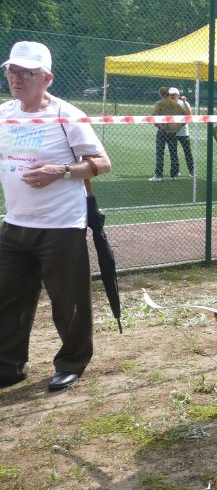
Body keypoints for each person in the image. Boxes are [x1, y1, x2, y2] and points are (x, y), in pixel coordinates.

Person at [0, 41, 112, 391]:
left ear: (47, 78)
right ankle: (7, 367)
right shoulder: (4, 113)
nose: (16, 78)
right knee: (7, 299)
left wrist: (61, 171)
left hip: (61, 226)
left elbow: (102, 163)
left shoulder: (67, 115)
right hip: (15, 223)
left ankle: (72, 363)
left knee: (69, 301)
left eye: (27, 73)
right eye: (12, 71)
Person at [149, 86, 187, 182]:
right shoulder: (175, 104)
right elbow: (186, 115)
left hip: (162, 131)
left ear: (160, 94)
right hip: (173, 131)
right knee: (173, 153)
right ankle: (174, 175)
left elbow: (153, 116)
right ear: (168, 94)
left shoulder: (159, 104)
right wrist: (179, 126)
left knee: (160, 153)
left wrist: (157, 123)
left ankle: (159, 175)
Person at [168, 87, 194, 177]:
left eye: (173, 94)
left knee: (187, 152)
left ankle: (191, 170)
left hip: (183, 132)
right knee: (173, 152)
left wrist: (185, 102)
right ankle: (176, 170)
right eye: (170, 94)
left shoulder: (183, 103)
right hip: (172, 132)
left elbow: (189, 115)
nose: (172, 96)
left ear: (178, 95)